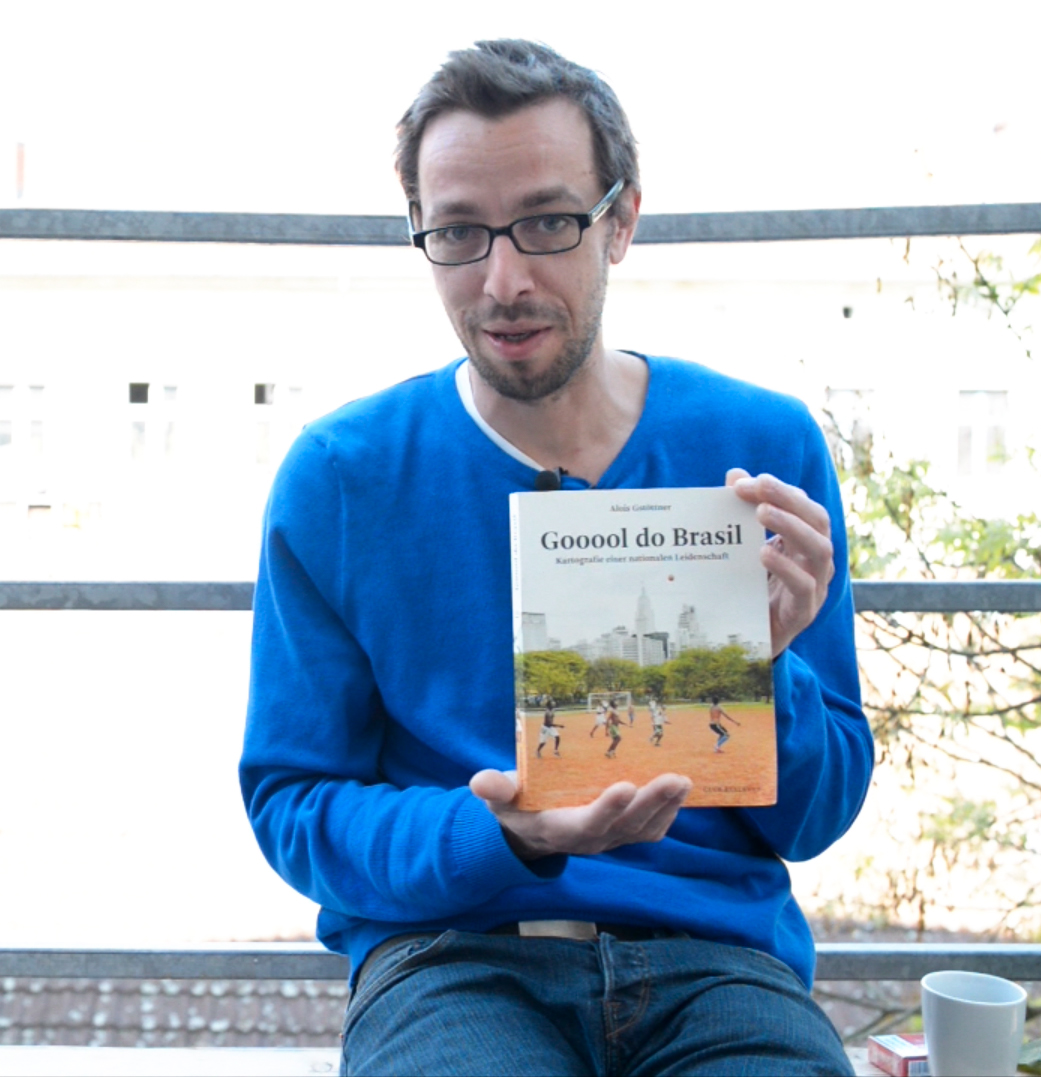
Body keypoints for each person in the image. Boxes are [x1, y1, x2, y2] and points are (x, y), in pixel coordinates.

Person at [239, 39, 872, 1076]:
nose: (503, 280)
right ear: (419, 231)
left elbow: (820, 814)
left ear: (620, 221)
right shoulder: (343, 477)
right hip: (452, 958)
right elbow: (295, 806)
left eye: (546, 222)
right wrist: (500, 833)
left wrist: (762, 668)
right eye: (458, 232)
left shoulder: (760, 452)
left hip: (718, 963)